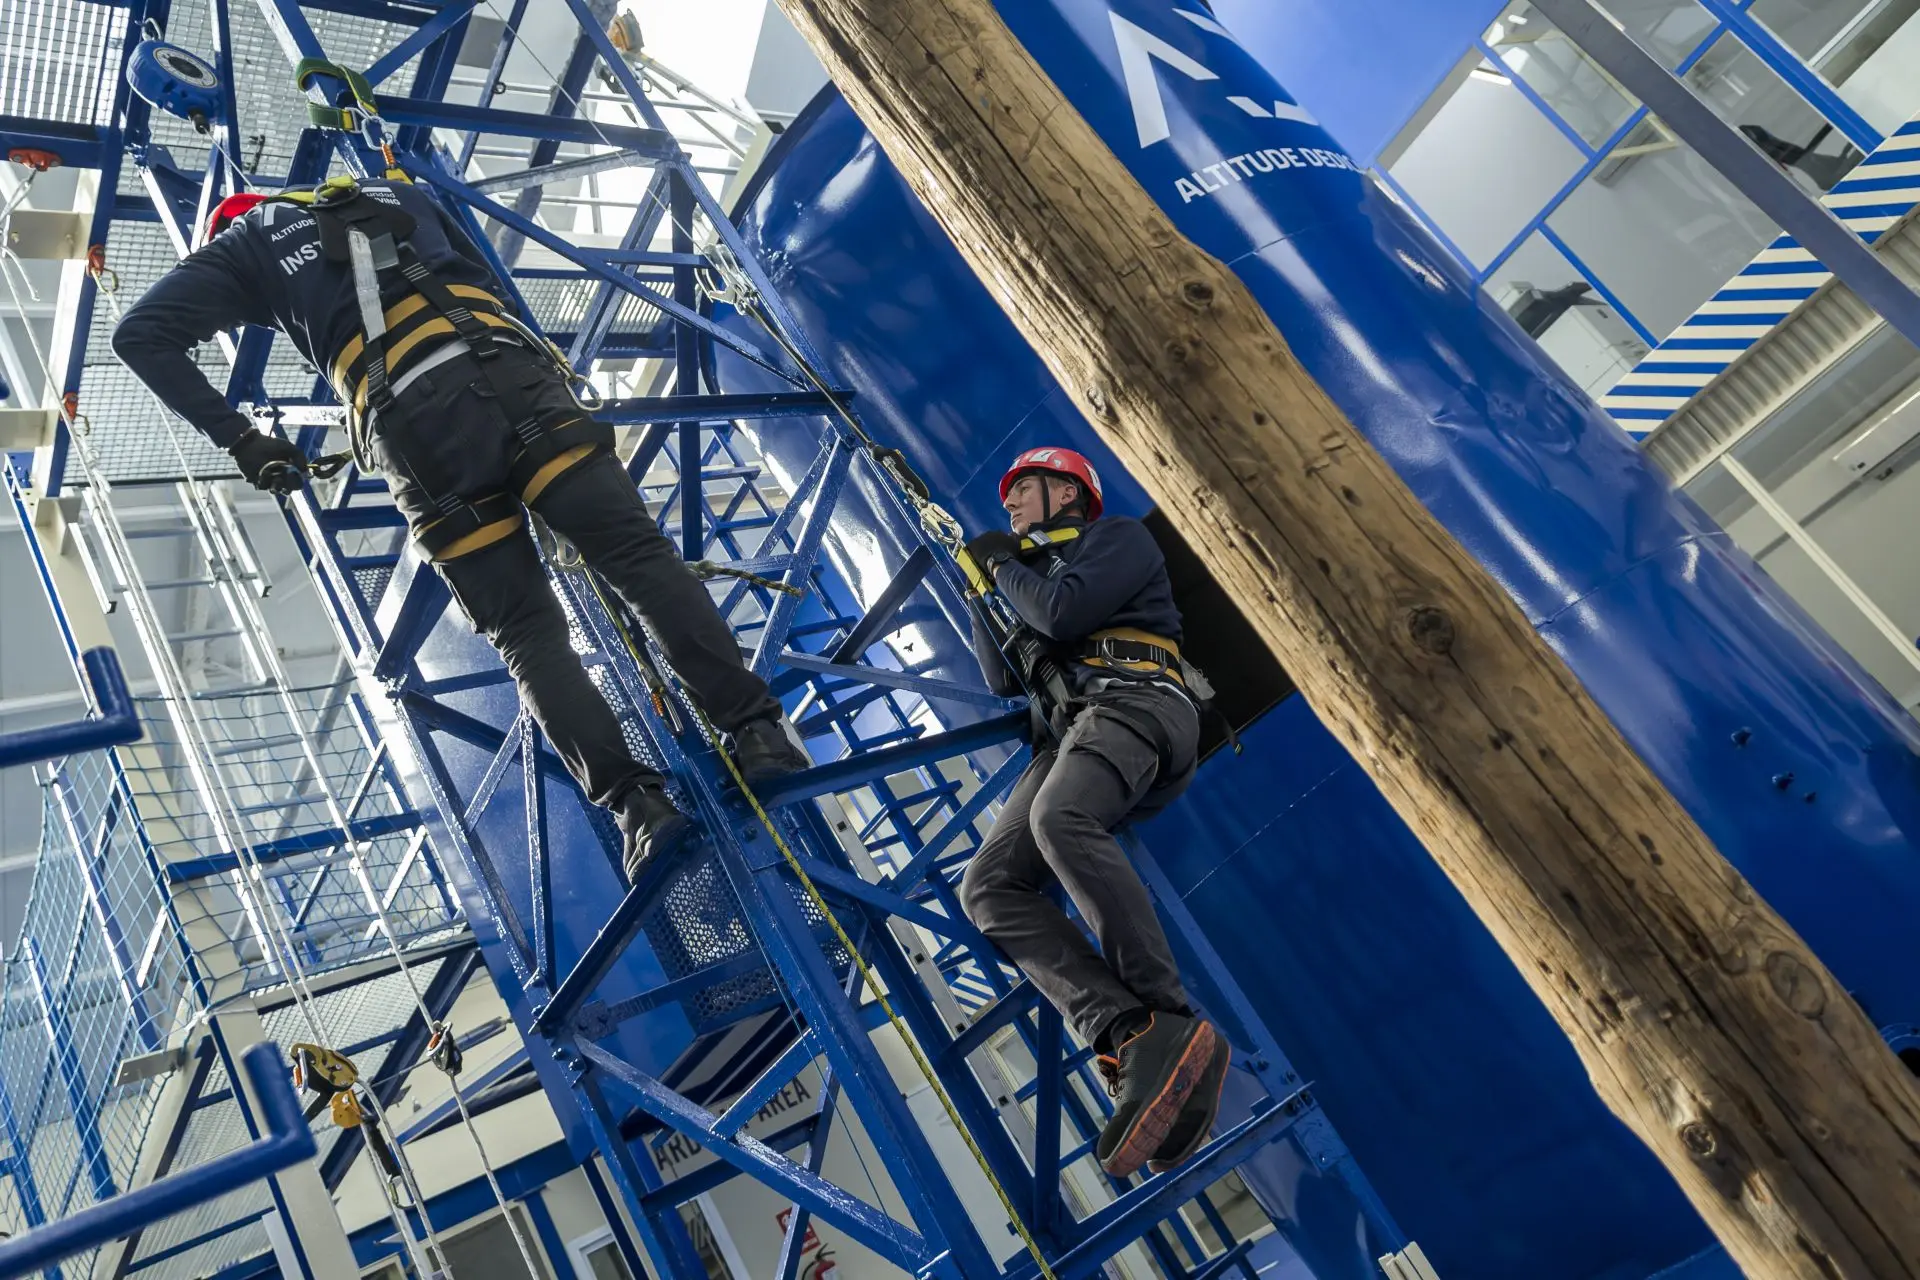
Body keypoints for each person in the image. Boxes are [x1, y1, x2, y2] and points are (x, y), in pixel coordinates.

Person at [112, 178, 810, 883]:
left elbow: (139, 335)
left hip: (412, 428)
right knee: (636, 558)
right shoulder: (399, 189)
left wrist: (243, 440)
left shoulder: (243, 244)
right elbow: (484, 273)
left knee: (528, 636)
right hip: (510, 372)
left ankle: (640, 809)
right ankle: (757, 734)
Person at [958, 446, 1228, 1179]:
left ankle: (1165, 1017)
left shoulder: (1118, 541)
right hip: (1075, 729)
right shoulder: (1030, 574)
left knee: (1059, 821)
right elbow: (1000, 677)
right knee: (987, 888)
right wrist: (981, 590)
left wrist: (1005, 568)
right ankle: (1125, 1026)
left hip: (1138, 701)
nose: (1009, 507)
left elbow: (1065, 610)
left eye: (1024, 493)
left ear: (1067, 494)